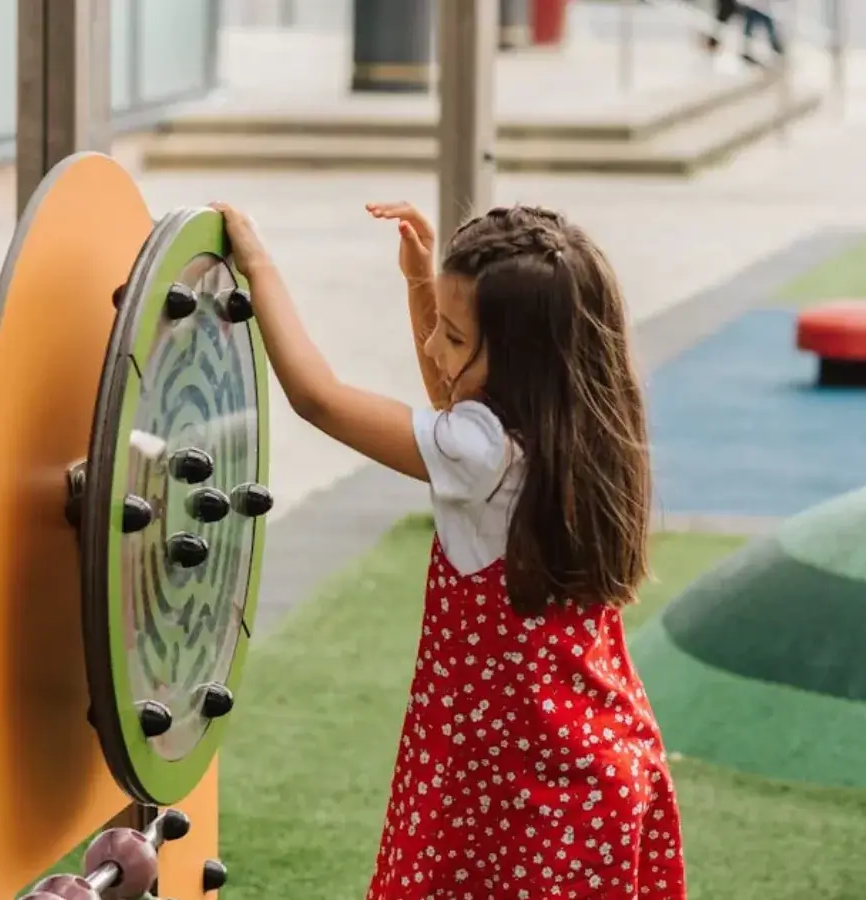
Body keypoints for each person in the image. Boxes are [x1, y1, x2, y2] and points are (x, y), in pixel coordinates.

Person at [210, 200, 687, 899]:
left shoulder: (485, 455)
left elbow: (317, 399)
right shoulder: (584, 427)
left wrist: (257, 263)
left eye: (456, 338)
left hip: (521, 794)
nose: (435, 348)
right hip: (597, 767)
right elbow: (456, 407)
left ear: (520, 365)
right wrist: (420, 287)